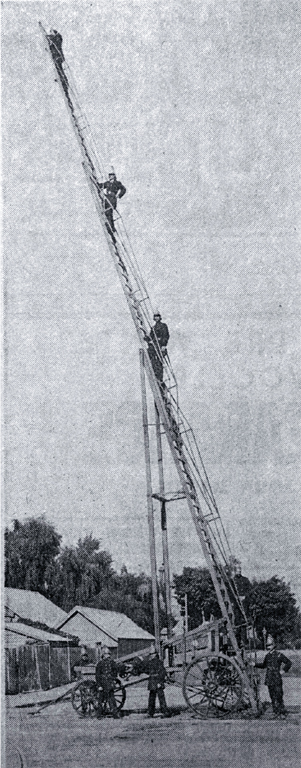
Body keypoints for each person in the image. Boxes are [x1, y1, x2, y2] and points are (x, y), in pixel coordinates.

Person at [254, 635, 292, 718]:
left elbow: (289, 662)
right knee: (272, 696)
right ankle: (276, 713)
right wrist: (254, 664)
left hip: (277, 678)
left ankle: (282, 713)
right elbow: (263, 665)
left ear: (273, 645)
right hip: (269, 679)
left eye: (270, 645)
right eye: (267, 645)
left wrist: (283, 670)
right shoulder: (267, 656)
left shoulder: (279, 655)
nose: (268, 647)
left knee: (279, 695)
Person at [96, 168, 126, 241]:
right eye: (109, 175)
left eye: (111, 175)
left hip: (112, 199)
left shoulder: (117, 183)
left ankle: (111, 228)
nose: (109, 176)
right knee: (107, 214)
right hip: (107, 199)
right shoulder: (107, 183)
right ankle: (111, 227)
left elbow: (124, 189)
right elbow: (101, 185)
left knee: (109, 213)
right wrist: (96, 183)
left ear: (114, 176)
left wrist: (118, 196)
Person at [143, 646, 170, 718]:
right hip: (155, 681)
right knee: (158, 697)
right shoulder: (157, 662)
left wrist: (159, 682)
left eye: (152, 654)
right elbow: (162, 672)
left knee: (154, 697)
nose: (151, 656)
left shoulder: (156, 662)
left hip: (154, 681)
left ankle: (152, 712)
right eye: (151, 654)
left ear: (154, 654)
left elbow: (161, 672)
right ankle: (163, 712)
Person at [95, 646, 120, 718]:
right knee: (100, 700)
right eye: (106, 655)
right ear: (103, 655)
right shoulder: (99, 664)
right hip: (102, 683)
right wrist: (99, 685)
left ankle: (115, 714)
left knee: (112, 699)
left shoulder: (112, 663)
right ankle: (99, 714)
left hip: (109, 683)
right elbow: (97, 676)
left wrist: (114, 680)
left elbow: (115, 671)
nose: (108, 656)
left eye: (109, 655)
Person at [147, 312, 169, 384]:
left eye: (157, 316)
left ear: (160, 317)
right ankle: (155, 375)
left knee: (159, 362)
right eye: (155, 316)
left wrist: (164, 345)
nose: (156, 318)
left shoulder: (163, 326)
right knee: (152, 359)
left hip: (160, 345)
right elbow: (151, 336)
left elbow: (166, 336)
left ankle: (160, 378)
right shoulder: (153, 328)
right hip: (154, 346)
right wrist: (148, 339)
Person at [47, 29, 69, 97]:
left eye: (51, 32)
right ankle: (63, 81)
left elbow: (53, 39)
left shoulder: (57, 38)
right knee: (59, 69)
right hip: (57, 57)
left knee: (60, 69)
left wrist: (48, 36)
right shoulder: (57, 38)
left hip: (58, 57)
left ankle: (64, 82)